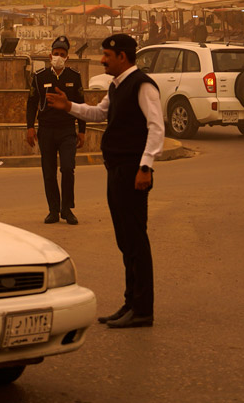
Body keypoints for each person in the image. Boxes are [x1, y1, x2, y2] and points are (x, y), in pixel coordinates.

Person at [46, 33, 163, 329]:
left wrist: (145, 167)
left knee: (136, 239)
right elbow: (99, 112)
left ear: (122, 57)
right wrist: (69, 106)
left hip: (133, 171)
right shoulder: (117, 85)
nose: (102, 60)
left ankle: (143, 309)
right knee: (125, 240)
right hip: (116, 170)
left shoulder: (143, 85)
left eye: (107, 57)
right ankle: (130, 303)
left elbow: (156, 128)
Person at [26, 36, 86, 225]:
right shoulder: (40, 76)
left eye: (62, 54)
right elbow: (32, 103)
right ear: (50, 55)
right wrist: (29, 127)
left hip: (67, 130)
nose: (58, 57)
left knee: (68, 168)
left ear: (67, 57)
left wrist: (82, 130)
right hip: (46, 130)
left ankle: (66, 209)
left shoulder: (74, 77)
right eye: (56, 53)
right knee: (49, 172)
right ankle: (53, 210)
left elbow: (81, 104)